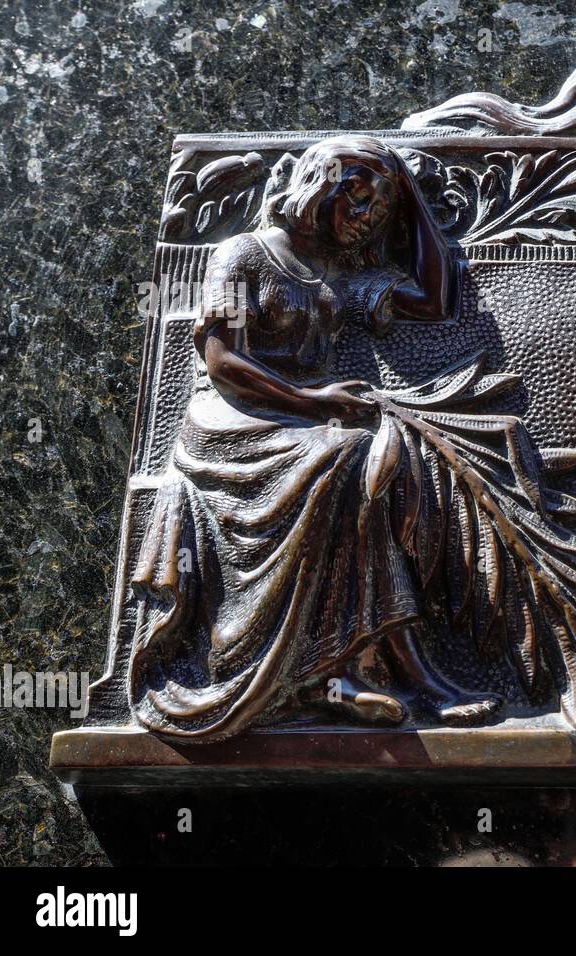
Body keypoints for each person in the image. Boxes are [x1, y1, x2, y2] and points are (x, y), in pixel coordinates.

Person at [128, 135, 501, 741]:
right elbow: (223, 362)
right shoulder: (240, 255)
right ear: (317, 186)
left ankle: (374, 666)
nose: (364, 222)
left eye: (377, 214)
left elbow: (435, 299)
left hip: (306, 423)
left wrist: (407, 190)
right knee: (346, 455)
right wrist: (312, 401)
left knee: (379, 456)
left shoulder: (336, 276)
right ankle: (358, 671)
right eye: (357, 202)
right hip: (233, 420)